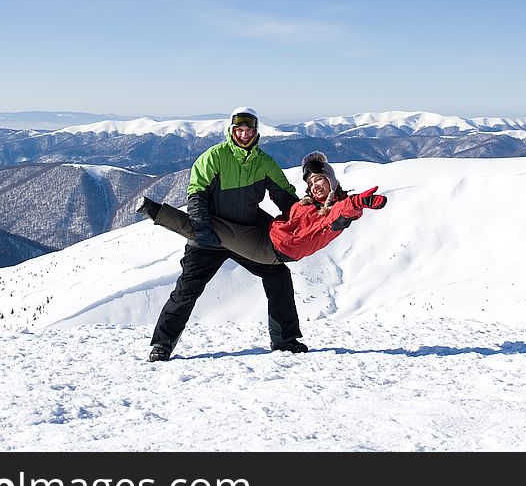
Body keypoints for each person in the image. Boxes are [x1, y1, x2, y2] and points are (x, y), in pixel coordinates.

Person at [142, 107, 305, 362]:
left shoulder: (264, 163)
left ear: (256, 132)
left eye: (249, 130)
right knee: (187, 289)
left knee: (278, 274)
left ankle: (284, 339)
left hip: (247, 236)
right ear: (231, 131)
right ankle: (162, 344)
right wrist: (203, 230)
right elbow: (196, 194)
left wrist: (304, 221)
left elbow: (285, 197)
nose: (244, 134)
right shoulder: (214, 157)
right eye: (239, 130)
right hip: (209, 236)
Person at [138, 151, 387, 266]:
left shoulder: (334, 209)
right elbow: (289, 205)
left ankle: (155, 212)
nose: (316, 185)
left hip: (272, 250)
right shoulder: (309, 204)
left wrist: (359, 203)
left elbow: (340, 213)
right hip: (270, 230)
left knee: (210, 227)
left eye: (320, 179)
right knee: (224, 212)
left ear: (332, 180)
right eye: (311, 183)